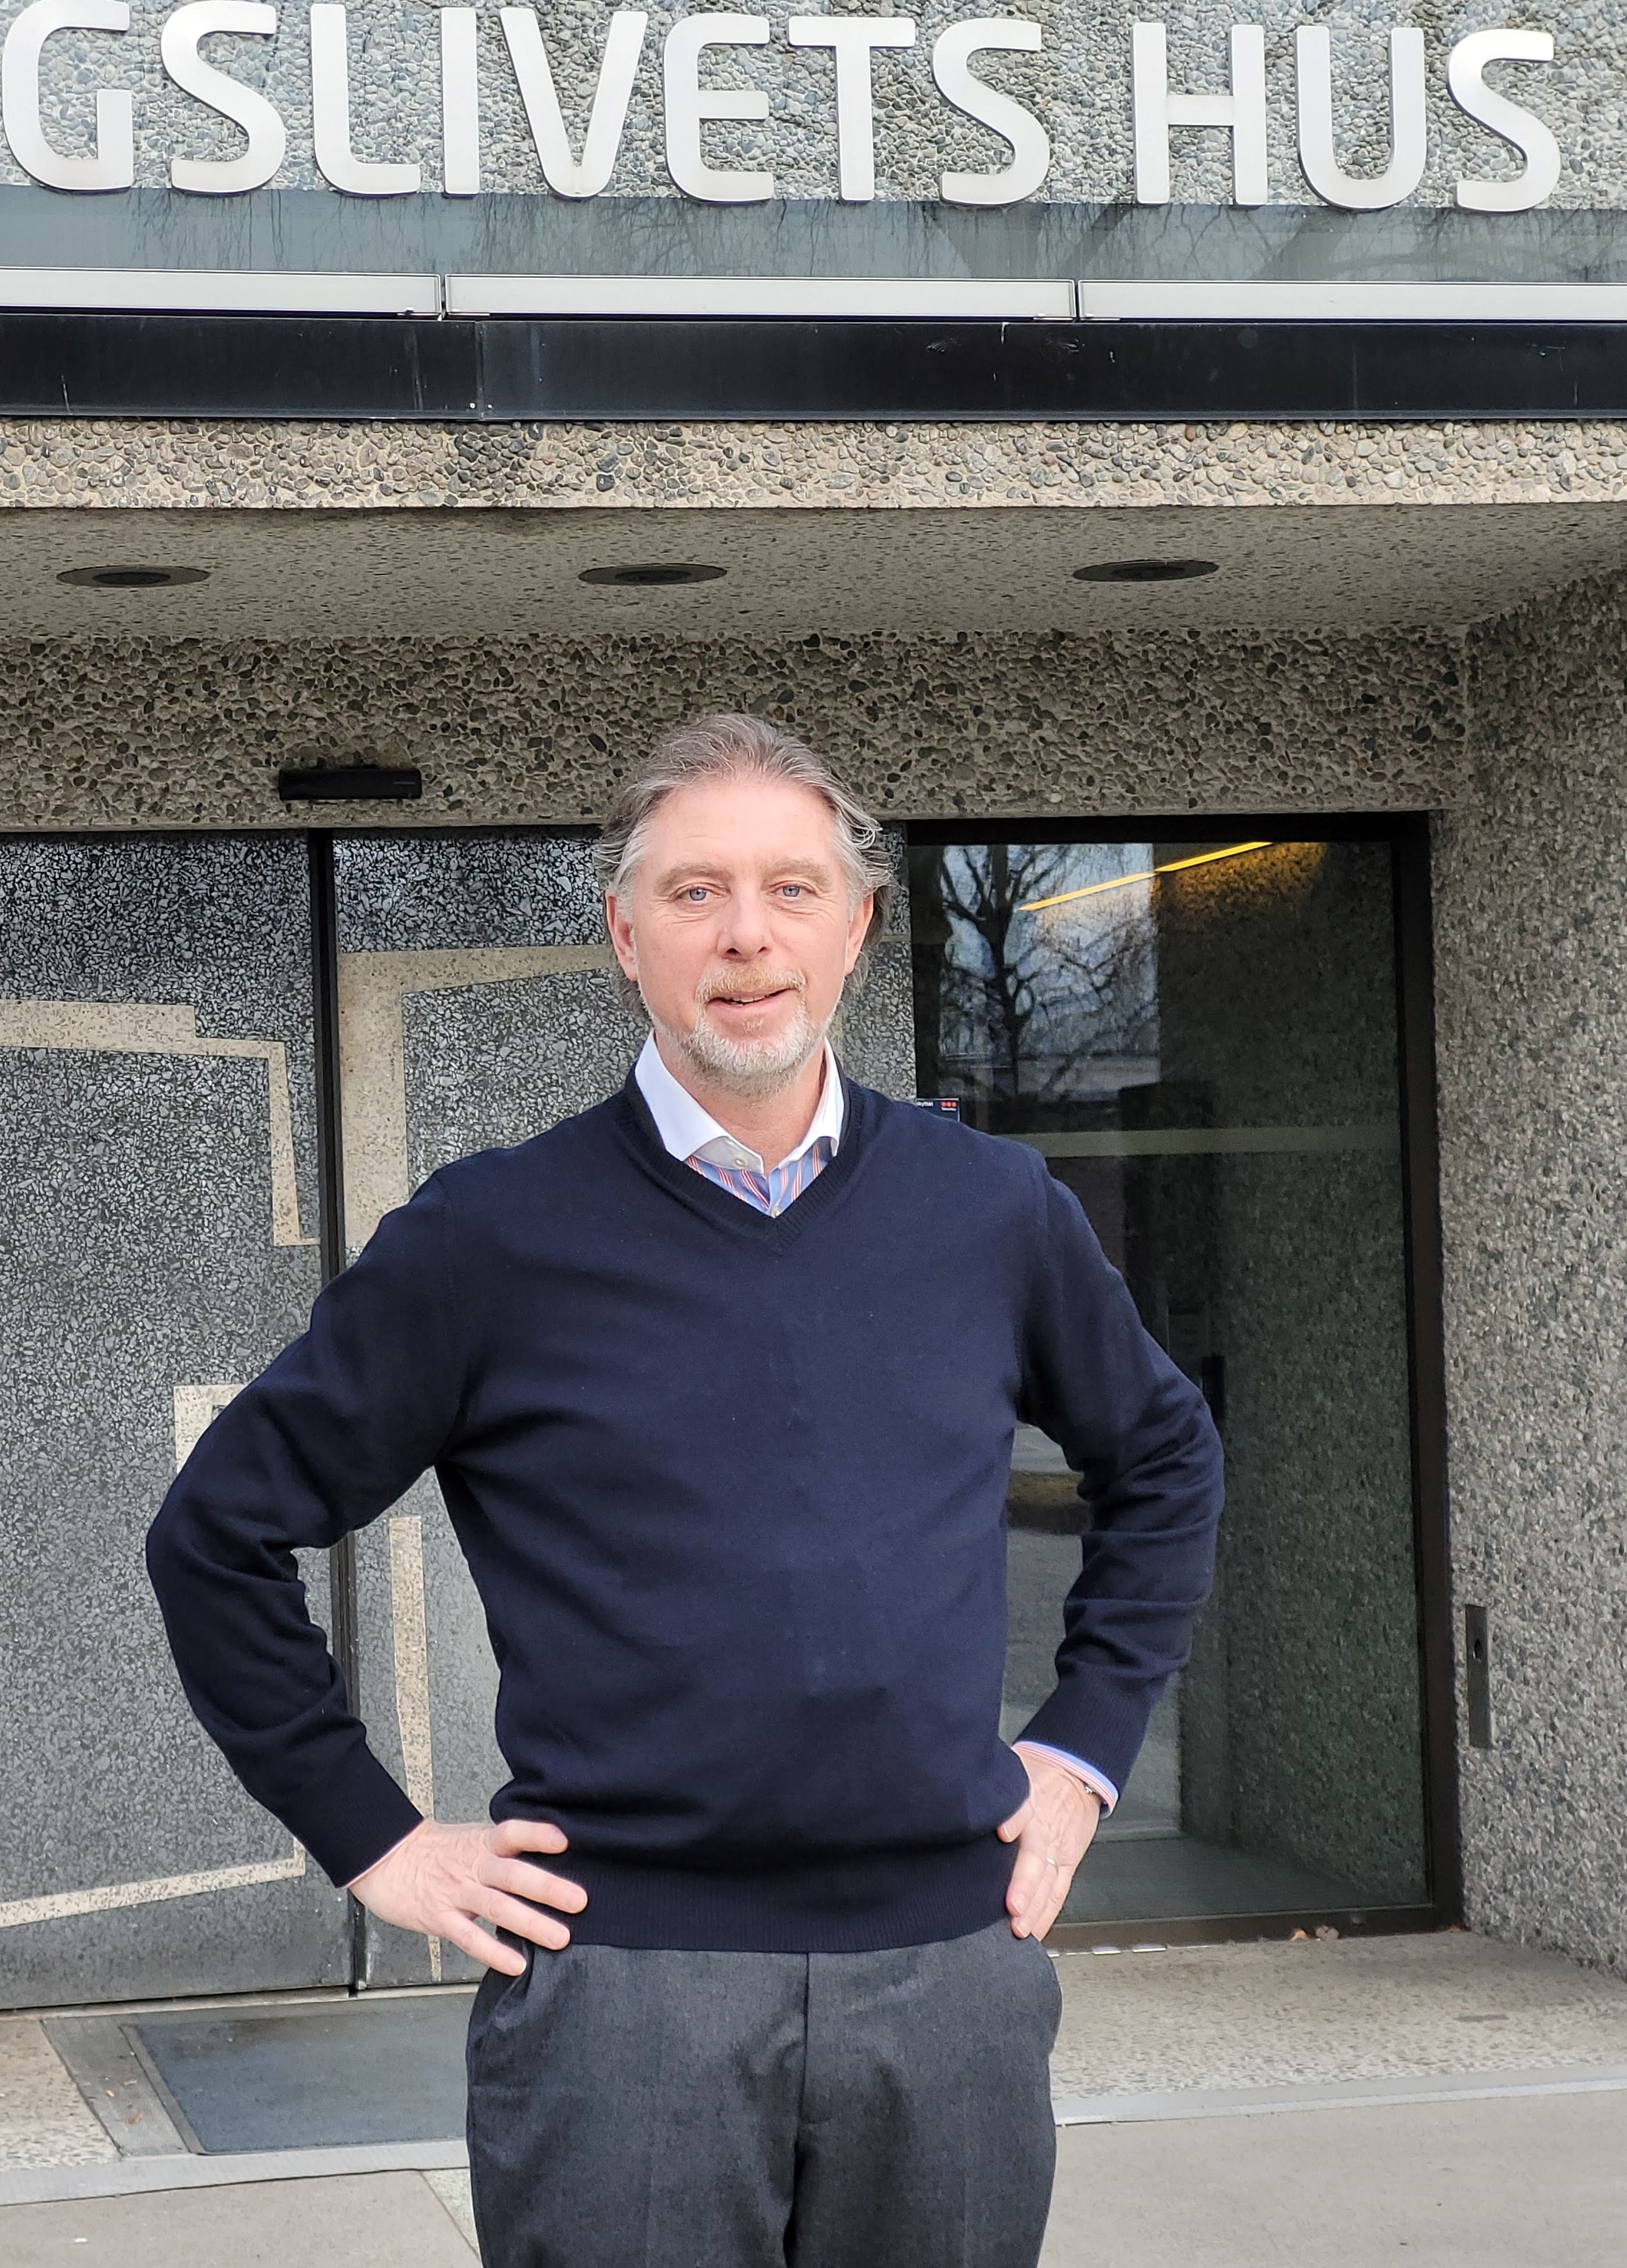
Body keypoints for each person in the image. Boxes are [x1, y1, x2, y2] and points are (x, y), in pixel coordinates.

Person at [146, 714, 1223, 2268]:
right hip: (622, 1993)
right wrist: (373, 1837)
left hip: (951, 1970)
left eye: (792, 889)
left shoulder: (992, 1210)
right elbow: (217, 1534)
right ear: (625, 933)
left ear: (857, 927)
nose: (746, 935)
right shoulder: (494, 1236)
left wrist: (1084, 1749)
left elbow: (1166, 1455)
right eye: (696, 891)